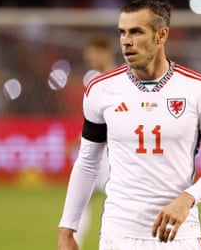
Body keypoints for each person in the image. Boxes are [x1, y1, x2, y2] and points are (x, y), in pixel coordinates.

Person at [58, 0, 201, 250]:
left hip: (178, 237)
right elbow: (87, 162)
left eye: (136, 32)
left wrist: (188, 198)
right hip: (118, 235)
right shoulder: (100, 89)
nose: (126, 41)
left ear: (161, 35)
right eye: (122, 32)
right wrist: (67, 229)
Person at [74, 34, 116, 247]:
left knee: (123, 202)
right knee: (82, 201)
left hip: (114, 154)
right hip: (100, 152)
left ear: (106, 53)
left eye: (93, 56)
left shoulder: (116, 81)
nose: (90, 60)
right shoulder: (95, 81)